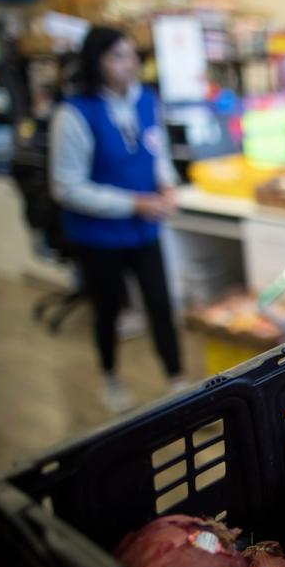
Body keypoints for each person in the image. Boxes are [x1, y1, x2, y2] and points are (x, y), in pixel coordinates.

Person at [50, 26, 185, 412]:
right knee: (108, 309)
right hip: (98, 235)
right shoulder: (74, 114)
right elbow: (67, 187)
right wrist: (134, 203)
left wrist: (167, 185)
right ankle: (110, 377)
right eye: (118, 56)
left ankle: (177, 381)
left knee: (161, 303)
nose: (131, 64)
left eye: (132, 54)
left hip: (146, 228)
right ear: (96, 63)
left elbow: (156, 151)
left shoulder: (146, 100)